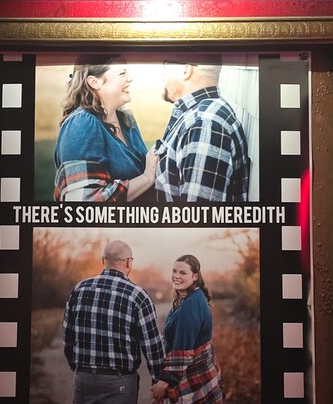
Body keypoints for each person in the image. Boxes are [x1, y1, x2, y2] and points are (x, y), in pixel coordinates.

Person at [63, 240, 165, 404]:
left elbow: (68, 336)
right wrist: (158, 380)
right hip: (120, 384)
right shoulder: (138, 296)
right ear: (129, 262)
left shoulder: (79, 289)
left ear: (103, 260)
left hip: (83, 380)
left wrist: (78, 368)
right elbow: (152, 346)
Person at [54, 54, 157, 202]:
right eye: (122, 73)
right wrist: (147, 177)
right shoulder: (82, 123)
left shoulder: (126, 120)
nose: (130, 78)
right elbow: (86, 201)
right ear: (94, 82)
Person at [155, 53, 250, 202]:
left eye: (165, 66)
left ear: (185, 70)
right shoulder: (202, 115)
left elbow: (199, 214)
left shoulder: (204, 125)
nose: (162, 74)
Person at [151, 255, 223, 404]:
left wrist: (163, 382)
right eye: (174, 271)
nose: (176, 276)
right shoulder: (191, 298)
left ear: (195, 276)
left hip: (192, 379)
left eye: (183, 273)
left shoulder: (192, 304)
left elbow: (183, 351)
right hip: (196, 375)